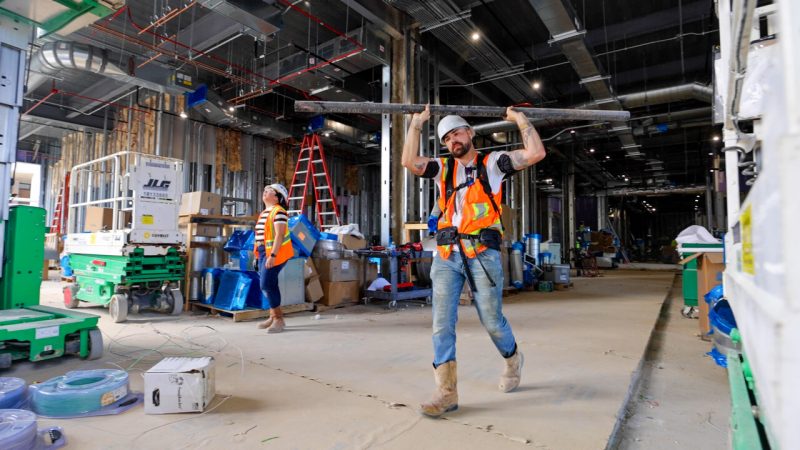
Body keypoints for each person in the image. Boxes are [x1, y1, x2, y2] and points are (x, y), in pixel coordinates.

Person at [402, 105, 546, 417]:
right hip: (446, 255)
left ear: (469, 132)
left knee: (491, 320)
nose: (453, 140)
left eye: (456, 133)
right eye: (447, 138)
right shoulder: (442, 169)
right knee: (441, 324)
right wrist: (416, 126)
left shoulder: (493, 163)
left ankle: (512, 359)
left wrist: (520, 120)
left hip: (482, 255)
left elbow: (534, 154)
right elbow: (408, 162)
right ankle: (447, 392)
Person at [254, 183, 293, 333]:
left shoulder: (279, 212)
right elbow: (261, 238)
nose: (264, 192)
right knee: (270, 284)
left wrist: (273, 256)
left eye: (269, 191)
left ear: (278, 197)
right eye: (264, 190)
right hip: (265, 253)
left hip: (277, 253)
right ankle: (273, 316)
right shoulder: (265, 212)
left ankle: (278, 319)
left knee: (266, 284)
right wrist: (258, 256)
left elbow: (279, 235)